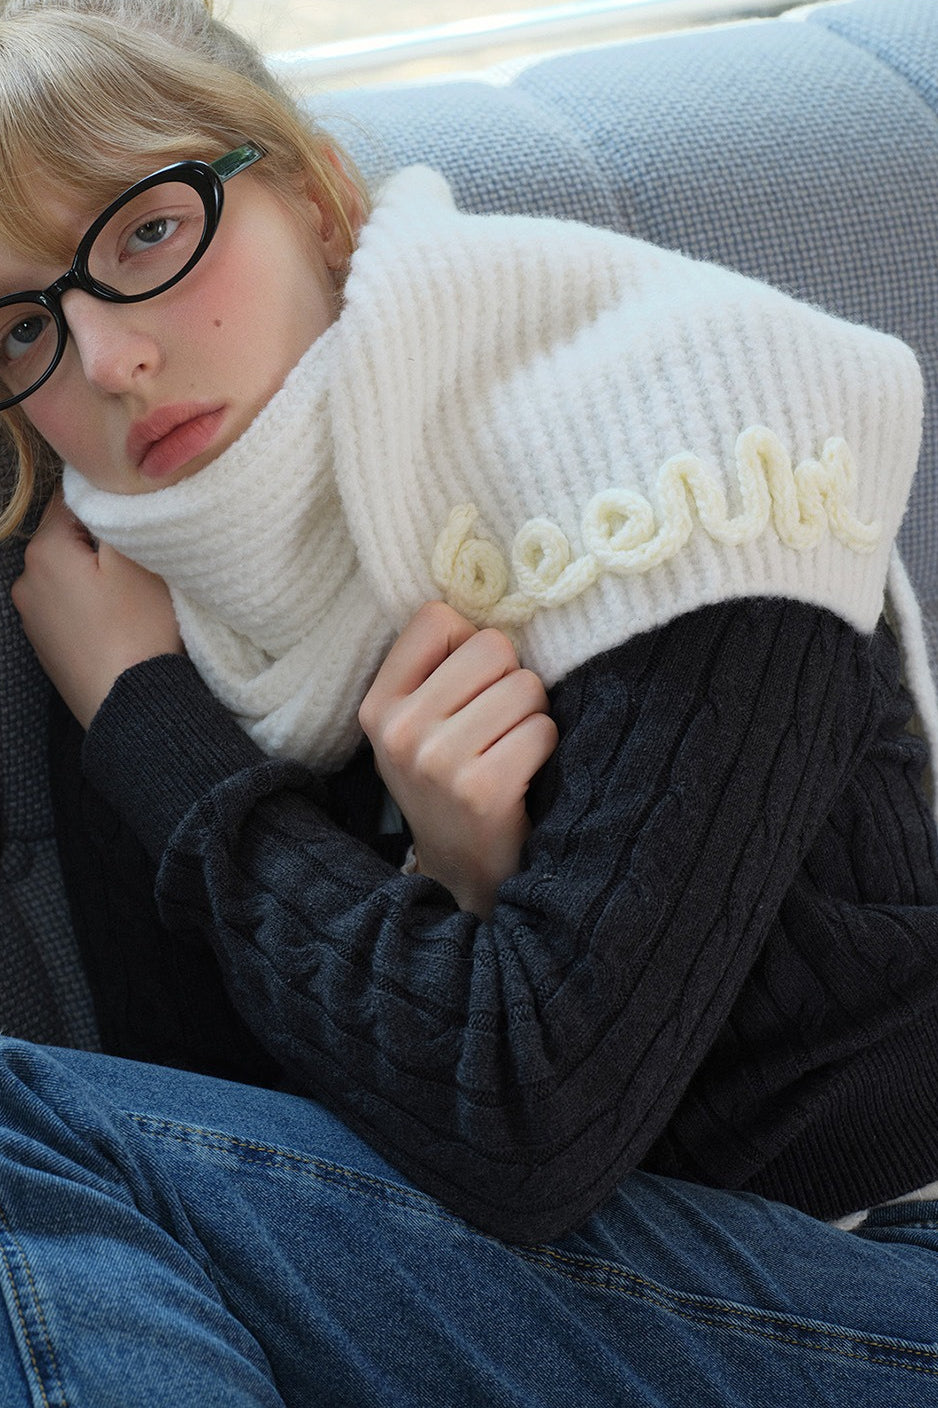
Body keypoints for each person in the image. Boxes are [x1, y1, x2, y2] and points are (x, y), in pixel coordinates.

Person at [2, 1, 938, 1404]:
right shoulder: (133, 581)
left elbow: (523, 1132)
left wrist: (151, 724)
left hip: (875, 1266)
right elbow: (234, 1132)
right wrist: (446, 898)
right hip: (561, 1293)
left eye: (148, 233)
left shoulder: (692, 430)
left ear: (317, 198)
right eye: (24, 322)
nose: (107, 361)